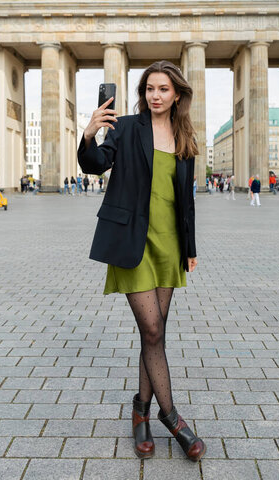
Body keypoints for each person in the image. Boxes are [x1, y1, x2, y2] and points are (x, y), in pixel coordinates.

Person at [78, 60, 206, 462]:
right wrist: (90, 132)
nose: (155, 95)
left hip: (168, 243)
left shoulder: (185, 137)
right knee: (152, 329)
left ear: (177, 95)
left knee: (155, 334)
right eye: (150, 88)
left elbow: (186, 200)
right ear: (142, 92)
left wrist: (191, 247)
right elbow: (95, 165)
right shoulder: (127, 126)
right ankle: (172, 417)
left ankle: (140, 413)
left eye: (163, 89)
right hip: (133, 239)